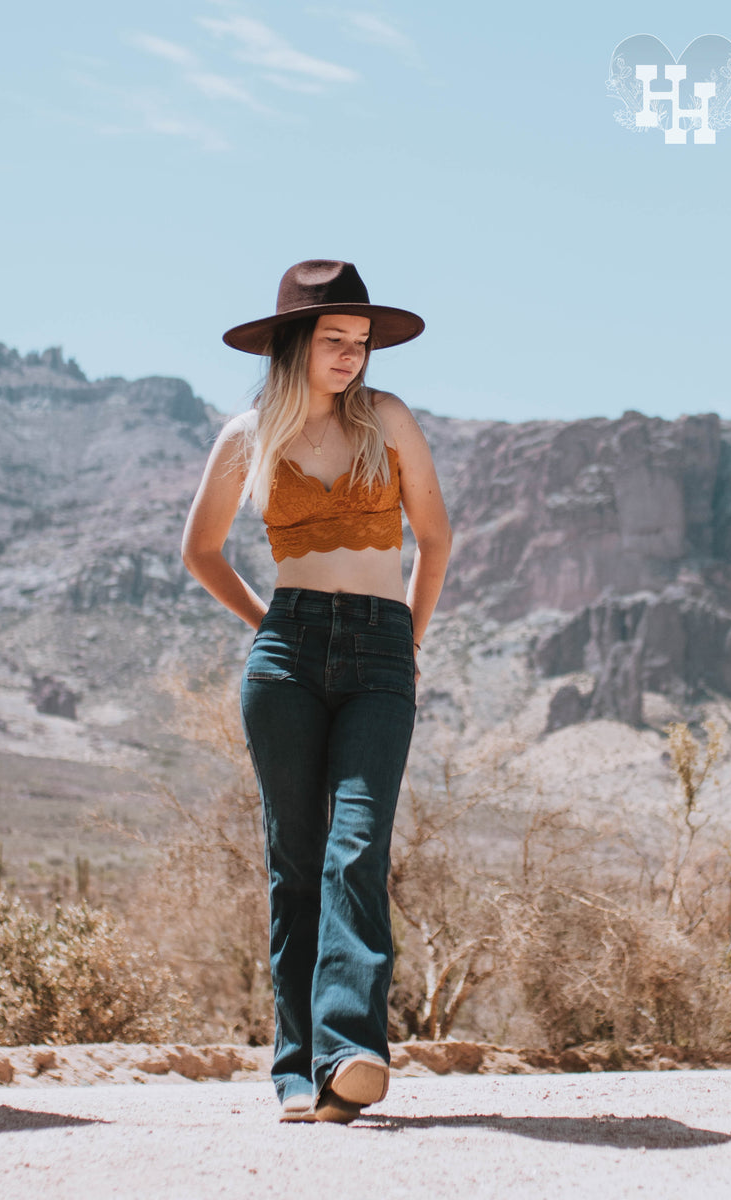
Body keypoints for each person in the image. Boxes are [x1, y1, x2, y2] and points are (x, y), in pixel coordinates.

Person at [181, 260, 451, 1123]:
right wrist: (268, 624)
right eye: (336, 340)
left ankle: (351, 1049)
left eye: (362, 343)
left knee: (356, 846)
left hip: (380, 649)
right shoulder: (247, 436)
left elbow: (437, 541)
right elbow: (202, 551)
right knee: (295, 861)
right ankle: (297, 1070)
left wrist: (403, 642)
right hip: (286, 651)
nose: (352, 357)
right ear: (295, 342)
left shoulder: (389, 420)